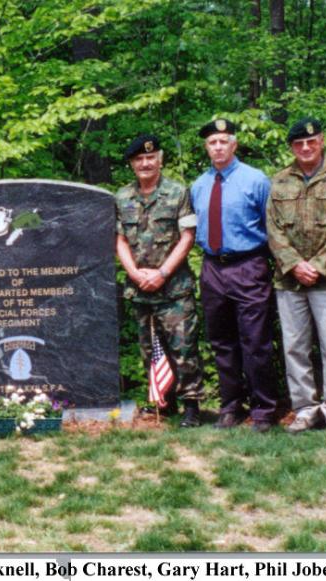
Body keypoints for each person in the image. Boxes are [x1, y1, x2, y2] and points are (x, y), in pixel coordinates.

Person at [266, 118, 326, 438]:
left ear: (322, 141)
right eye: (298, 144)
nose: (305, 148)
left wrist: (318, 265)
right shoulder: (279, 181)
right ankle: (304, 408)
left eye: (311, 141)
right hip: (290, 280)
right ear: (292, 147)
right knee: (295, 346)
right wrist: (294, 264)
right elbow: (273, 228)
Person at [190, 119, 278, 432]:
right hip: (212, 267)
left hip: (248, 265)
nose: (218, 147)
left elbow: (273, 229)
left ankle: (264, 410)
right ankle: (231, 407)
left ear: (234, 144)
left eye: (224, 141)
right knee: (222, 341)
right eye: (212, 142)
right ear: (206, 147)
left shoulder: (256, 180)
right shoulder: (199, 185)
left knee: (255, 341)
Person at [115, 134, 204, 428]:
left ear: (160, 160)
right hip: (140, 287)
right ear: (132, 164)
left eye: (150, 158)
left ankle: (191, 405)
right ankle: (163, 403)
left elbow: (187, 237)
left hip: (173, 287)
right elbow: (119, 240)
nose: (145, 163)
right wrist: (134, 273)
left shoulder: (178, 193)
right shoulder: (122, 197)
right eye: (139, 159)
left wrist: (162, 272)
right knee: (149, 348)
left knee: (183, 348)